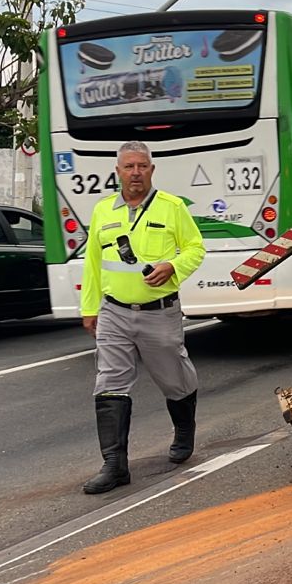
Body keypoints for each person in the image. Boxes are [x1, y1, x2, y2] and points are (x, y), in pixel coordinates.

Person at [79, 141, 207, 493]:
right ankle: (115, 465)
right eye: (129, 166)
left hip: (159, 313)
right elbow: (93, 264)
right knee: (110, 381)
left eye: (142, 166)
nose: (135, 172)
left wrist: (173, 267)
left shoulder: (172, 207)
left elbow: (195, 248)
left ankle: (184, 429)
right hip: (114, 312)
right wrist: (89, 308)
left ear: (152, 170)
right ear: (118, 172)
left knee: (174, 379)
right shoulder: (103, 210)